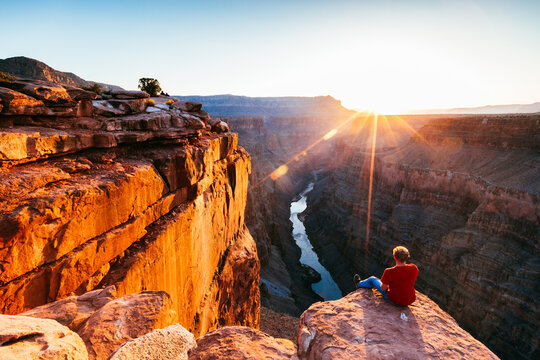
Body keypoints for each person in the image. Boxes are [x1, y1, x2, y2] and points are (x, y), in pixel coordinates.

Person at [353, 246, 419, 306]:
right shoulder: (414, 268)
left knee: (372, 279)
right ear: (407, 257)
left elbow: (383, 288)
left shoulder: (389, 271)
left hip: (394, 300)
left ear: (394, 257)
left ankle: (358, 284)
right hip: (409, 301)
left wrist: (388, 284)